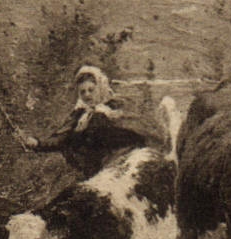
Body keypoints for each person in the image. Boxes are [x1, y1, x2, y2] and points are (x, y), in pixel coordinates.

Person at [21, 65, 158, 177]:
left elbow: (134, 132)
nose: (87, 95)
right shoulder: (80, 114)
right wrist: (38, 143)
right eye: (83, 92)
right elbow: (62, 137)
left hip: (120, 164)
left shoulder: (114, 108)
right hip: (92, 169)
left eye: (91, 90)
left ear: (100, 88)